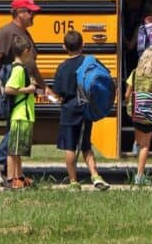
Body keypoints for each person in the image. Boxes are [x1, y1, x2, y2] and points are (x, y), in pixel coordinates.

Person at [0, 0, 46, 185]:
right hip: (12, 91)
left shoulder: (24, 33)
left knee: (16, 129)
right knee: (16, 129)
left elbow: (31, 65)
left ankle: (15, 173)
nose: (33, 15)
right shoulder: (7, 32)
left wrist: (44, 87)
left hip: (23, 92)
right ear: (19, 12)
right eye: (30, 12)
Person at [52, 31, 110, 191]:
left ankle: (73, 181)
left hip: (69, 110)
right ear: (83, 44)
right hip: (85, 108)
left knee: (70, 147)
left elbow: (58, 93)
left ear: (64, 47)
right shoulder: (90, 61)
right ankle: (95, 175)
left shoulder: (62, 67)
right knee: (85, 145)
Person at [124, 47, 152, 186]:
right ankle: (139, 176)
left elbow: (127, 94)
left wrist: (129, 104)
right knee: (146, 146)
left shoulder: (134, 74)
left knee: (141, 142)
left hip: (136, 113)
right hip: (150, 115)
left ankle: (136, 145)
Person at [4, 36, 38, 190]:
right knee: (13, 151)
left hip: (25, 115)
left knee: (18, 150)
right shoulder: (18, 69)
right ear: (25, 51)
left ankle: (20, 176)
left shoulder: (21, 68)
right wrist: (29, 89)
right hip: (19, 115)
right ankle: (11, 179)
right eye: (31, 52)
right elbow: (9, 89)